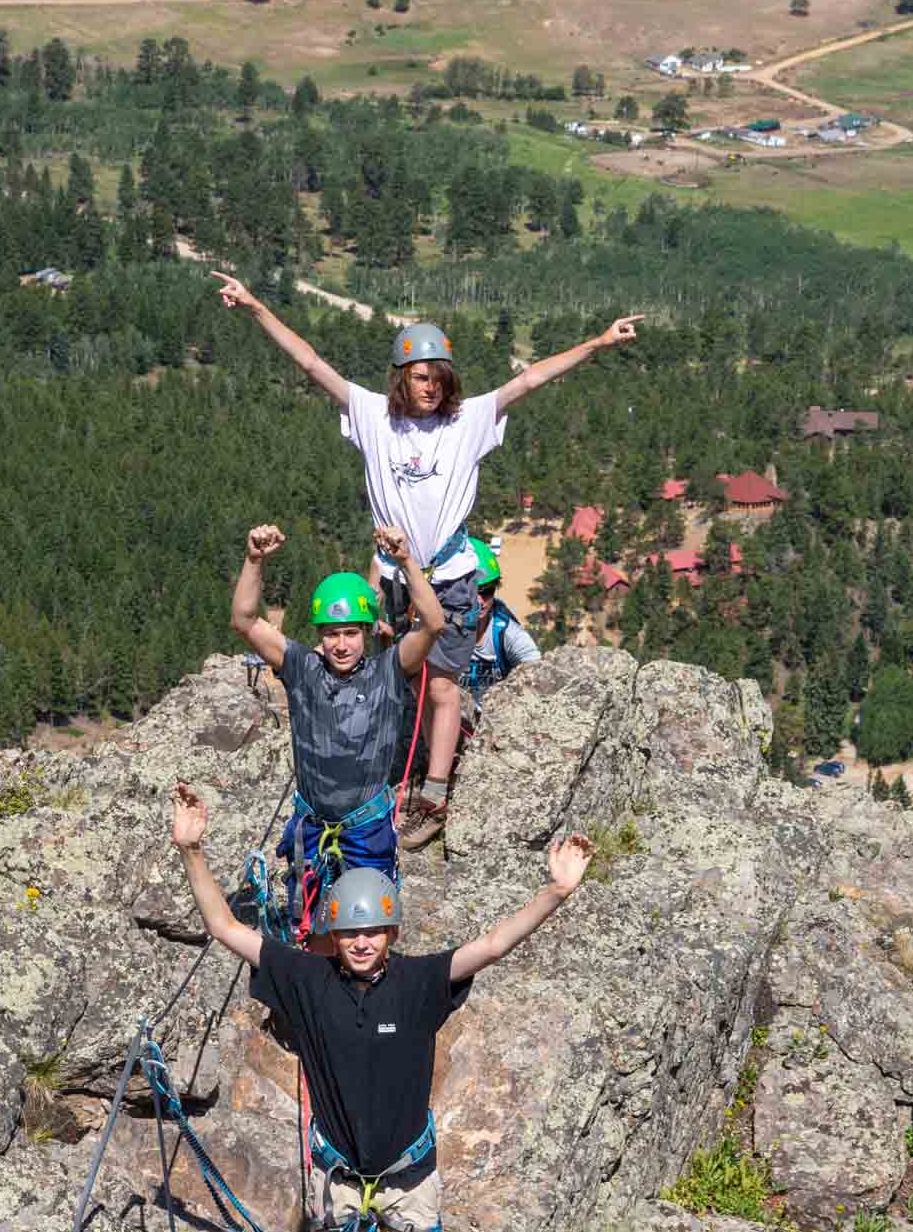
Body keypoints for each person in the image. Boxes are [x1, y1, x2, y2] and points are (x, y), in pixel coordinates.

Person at [171, 780, 593, 1232]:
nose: (363, 942)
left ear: (392, 933)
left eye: (374, 931)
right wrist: (192, 852)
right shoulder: (305, 980)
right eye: (351, 932)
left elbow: (490, 946)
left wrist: (554, 894)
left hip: (407, 1182)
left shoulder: (420, 984)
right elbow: (226, 929)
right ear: (332, 934)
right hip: (339, 1186)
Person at [215, 272, 637, 849]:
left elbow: (533, 378)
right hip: (392, 580)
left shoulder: (469, 420)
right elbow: (312, 363)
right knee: (394, 681)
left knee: (441, 687)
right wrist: (257, 307)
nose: (431, 387)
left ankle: (433, 793)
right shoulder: (372, 416)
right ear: (401, 379)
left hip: (450, 574)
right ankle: (398, 774)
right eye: (420, 377)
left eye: (439, 377)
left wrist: (599, 342)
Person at [230, 521, 442, 919]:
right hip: (312, 828)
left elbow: (433, 624)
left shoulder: (389, 671)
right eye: (331, 634)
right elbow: (244, 620)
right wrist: (254, 560)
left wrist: (406, 561)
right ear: (320, 635)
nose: (341, 645)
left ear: (366, 632)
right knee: (309, 929)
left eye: (349, 633)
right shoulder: (301, 667)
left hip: (367, 830)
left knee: (369, 931)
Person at [463, 535, 541, 706]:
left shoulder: (507, 632)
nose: (479, 601)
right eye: (471, 591)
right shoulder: (438, 628)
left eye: (487, 591)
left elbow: (538, 672)